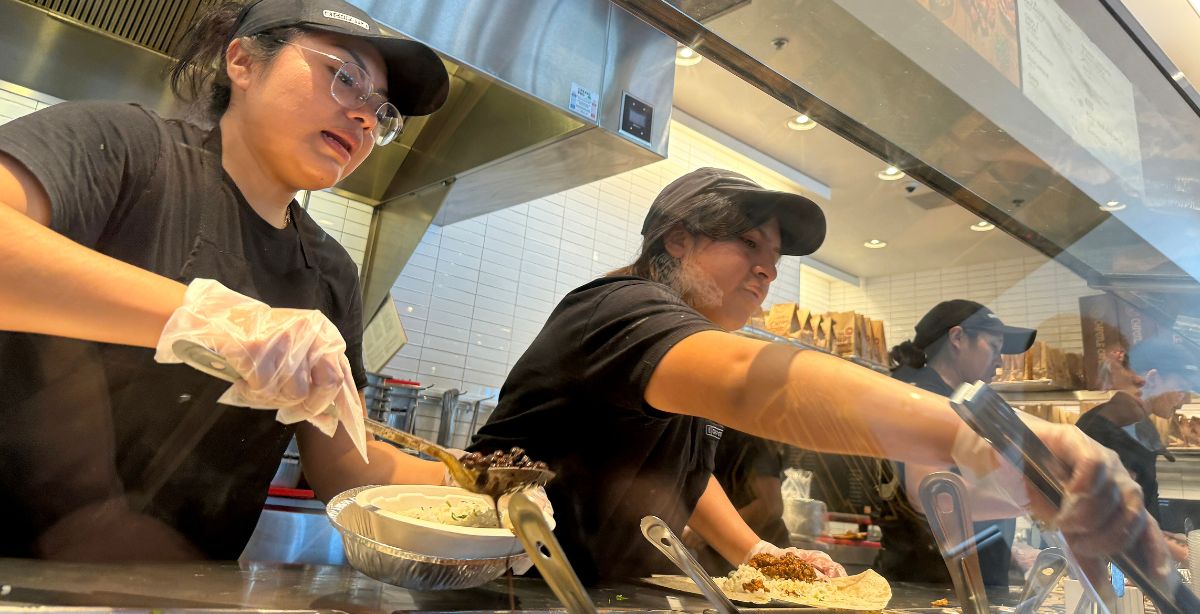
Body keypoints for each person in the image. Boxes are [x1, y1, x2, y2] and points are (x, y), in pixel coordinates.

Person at [468, 167, 1167, 592]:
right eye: (748, 242)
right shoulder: (621, 310)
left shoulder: (674, 348)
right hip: (496, 589)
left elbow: (684, 469)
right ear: (676, 240)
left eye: (774, 255)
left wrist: (757, 551)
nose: (769, 268)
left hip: (586, 589)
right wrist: (997, 441)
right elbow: (753, 380)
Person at [0, 0, 463, 560]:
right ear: (242, 61)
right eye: (345, 77)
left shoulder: (329, 275)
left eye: (382, 111)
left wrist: (472, 490)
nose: (366, 116)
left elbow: (340, 461)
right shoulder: (124, 148)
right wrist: (215, 321)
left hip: (185, 592)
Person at [879, 300, 1036, 586]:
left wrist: (1001, 550)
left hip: (956, 584)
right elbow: (935, 492)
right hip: (930, 588)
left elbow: (971, 495)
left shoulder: (958, 405)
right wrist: (1039, 501)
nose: (1000, 361)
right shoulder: (926, 400)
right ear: (958, 338)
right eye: (994, 346)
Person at [1077, 337, 1200, 530]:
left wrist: (1165, 541)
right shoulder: (1099, 431)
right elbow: (1110, 523)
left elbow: (1147, 500)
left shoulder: (1142, 425)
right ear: (1152, 379)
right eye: (1181, 389)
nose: (1183, 402)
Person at [686, 428, 791, 575]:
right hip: (724, 556)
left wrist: (709, 529)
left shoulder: (751, 434)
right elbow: (696, 479)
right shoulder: (703, 428)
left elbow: (771, 506)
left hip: (764, 552)